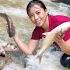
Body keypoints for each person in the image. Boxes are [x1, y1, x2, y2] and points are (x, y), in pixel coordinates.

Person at [7, 0, 70, 68]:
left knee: (65, 61)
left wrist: (59, 40)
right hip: (63, 45)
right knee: (50, 50)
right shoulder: (38, 29)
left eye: (38, 13)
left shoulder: (60, 23)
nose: (36, 18)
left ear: (46, 11)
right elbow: (29, 51)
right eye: (31, 16)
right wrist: (14, 35)